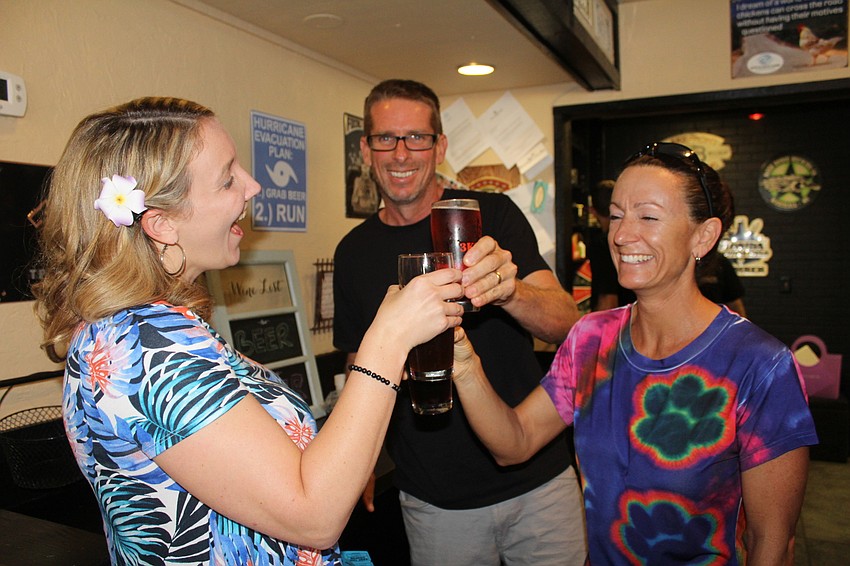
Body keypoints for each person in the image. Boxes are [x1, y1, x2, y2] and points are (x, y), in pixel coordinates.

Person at [32, 97, 464, 565]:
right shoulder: (146, 344)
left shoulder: (148, 327)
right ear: (162, 224)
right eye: (227, 179)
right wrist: (388, 340)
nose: (253, 186)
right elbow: (314, 517)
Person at [451, 141, 818, 564]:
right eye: (616, 215)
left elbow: (772, 542)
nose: (622, 235)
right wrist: (464, 364)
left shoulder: (759, 365)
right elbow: (514, 443)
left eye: (648, 216)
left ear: (703, 236)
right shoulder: (592, 338)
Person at [333, 79, 586, 565]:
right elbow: (356, 360)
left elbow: (565, 323)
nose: (401, 153)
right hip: (435, 499)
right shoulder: (352, 252)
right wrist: (358, 457)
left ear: (440, 146)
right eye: (385, 138)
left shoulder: (490, 214)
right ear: (366, 149)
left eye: (416, 137)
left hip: (538, 483)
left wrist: (510, 291)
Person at [586, 179, 635, 311]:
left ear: (592, 211)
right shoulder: (632, 238)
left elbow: (608, 300)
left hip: (619, 319)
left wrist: (597, 324)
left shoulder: (602, 245)